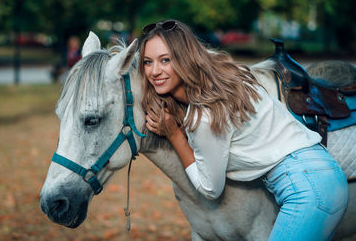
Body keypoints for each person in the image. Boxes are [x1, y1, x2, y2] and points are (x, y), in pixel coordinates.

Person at [139, 19, 349, 240]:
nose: (154, 71)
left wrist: (174, 135)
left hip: (307, 189)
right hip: (321, 177)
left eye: (165, 60)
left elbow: (211, 189)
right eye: (147, 62)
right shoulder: (229, 80)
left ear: (185, 59)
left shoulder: (205, 114)